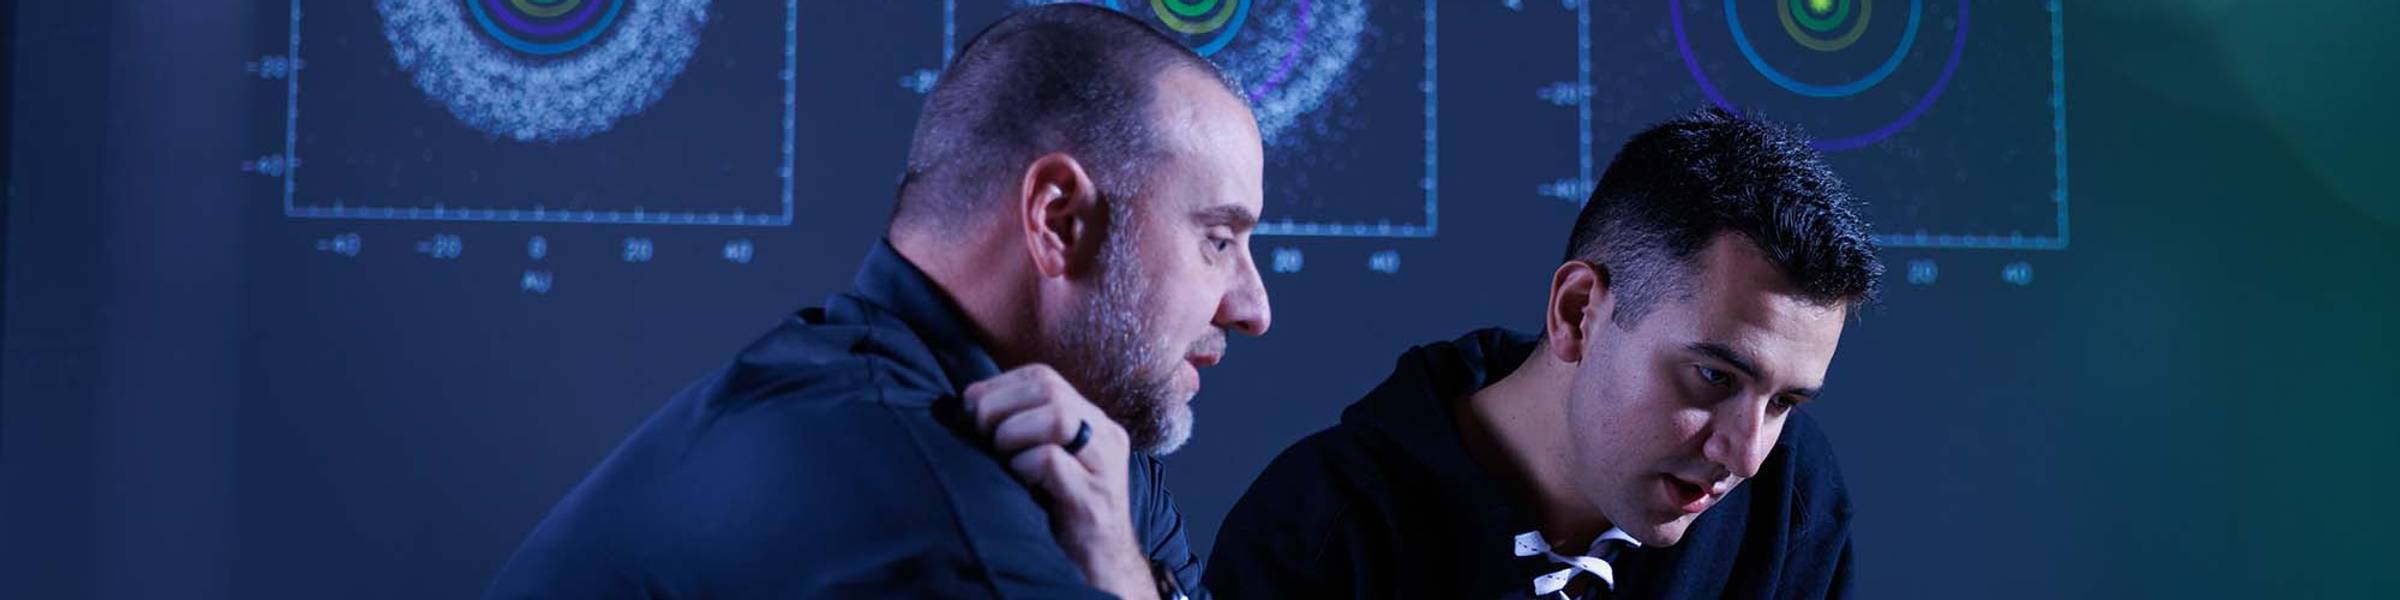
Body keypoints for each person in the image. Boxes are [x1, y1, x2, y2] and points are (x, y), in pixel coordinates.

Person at [486, 5, 1270, 598]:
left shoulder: (1096, 457)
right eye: (1217, 239)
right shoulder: (932, 513)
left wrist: (1118, 565)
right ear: (1059, 220)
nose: (1252, 307)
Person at [1207, 108, 1881, 598]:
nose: (1746, 455)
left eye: (1784, 403)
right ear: (1578, 313)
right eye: (1713, 376)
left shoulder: (1791, 496)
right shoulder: (1319, 530)